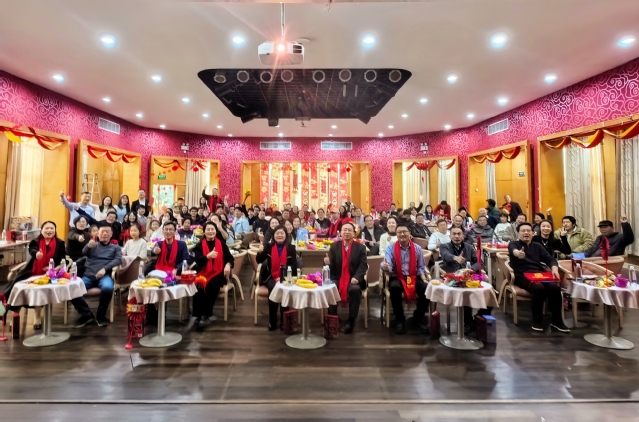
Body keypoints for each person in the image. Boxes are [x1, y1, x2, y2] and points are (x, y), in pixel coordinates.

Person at [508, 222, 568, 333]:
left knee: (554, 288)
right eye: (523, 231)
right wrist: (519, 254)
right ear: (518, 233)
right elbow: (514, 251)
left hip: (538, 274)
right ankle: (537, 320)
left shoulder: (537, 246)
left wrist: (554, 269)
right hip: (521, 274)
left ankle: (557, 321)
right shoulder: (514, 244)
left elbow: (550, 259)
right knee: (538, 288)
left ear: (533, 233)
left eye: (528, 231)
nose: (526, 233)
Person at [4, 222, 67, 313]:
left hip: (52, 274)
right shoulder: (35, 241)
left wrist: (55, 268)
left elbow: (63, 260)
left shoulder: (60, 243)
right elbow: (32, 250)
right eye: (47, 228)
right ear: (41, 231)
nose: (49, 230)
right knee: (16, 285)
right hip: (33, 270)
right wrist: (37, 254)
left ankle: (38, 314)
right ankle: (13, 309)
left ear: (55, 230)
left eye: (52, 228)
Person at [70, 223, 122, 327]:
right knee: (71, 288)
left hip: (105, 276)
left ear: (111, 234)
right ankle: (86, 314)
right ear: (98, 233)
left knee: (108, 288)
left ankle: (101, 315)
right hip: (88, 276)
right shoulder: (93, 245)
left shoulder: (115, 247)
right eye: (103, 232)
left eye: (107, 232)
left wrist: (104, 269)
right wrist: (88, 246)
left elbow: (118, 260)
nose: (105, 234)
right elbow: (84, 253)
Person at [439, 226, 491, 329]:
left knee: (490, 291)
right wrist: (456, 258)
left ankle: (479, 316)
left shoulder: (469, 247)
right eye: (454, 234)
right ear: (450, 236)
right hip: (453, 277)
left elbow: (479, 263)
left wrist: (470, 270)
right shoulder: (444, 246)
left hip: (470, 275)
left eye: (459, 234)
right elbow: (445, 255)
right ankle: (467, 321)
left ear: (463, 236)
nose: (456, 236)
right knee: (465, 292)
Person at [382, 222, 430, 334]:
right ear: (396, 234)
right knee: (394, 288)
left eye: (404, 231)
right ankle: (400, 319)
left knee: (426, 289)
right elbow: (387, 262)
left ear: (410, 233)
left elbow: (421, 267)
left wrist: (424, 278)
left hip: (413, 276)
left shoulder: (417, 248)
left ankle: (418, 318)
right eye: (399, 232)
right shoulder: (391, 248)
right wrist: (385, 266)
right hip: (398, 277)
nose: (402, 234)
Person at [324, 222, 368, 334]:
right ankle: (333, 318)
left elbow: (363, 265)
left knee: (354, 289)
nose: (347, 232)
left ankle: (351, 320)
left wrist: (357, 277)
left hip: (353, 278)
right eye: (344, 230)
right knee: (331, 287)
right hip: (338, 277)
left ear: (354, 233)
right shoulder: (334, 246)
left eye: (349, 230)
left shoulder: (360, 247)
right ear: (340, 233)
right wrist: (327, 263)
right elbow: (331, 266)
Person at [190, 221, 233, 328]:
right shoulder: (199, 245)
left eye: (212, 229)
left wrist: (228, 265)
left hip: (219, 273)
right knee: (199, 286)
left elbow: (230, 258)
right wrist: (208, 256)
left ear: (216, 231)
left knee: (212, 285)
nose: (210, 231)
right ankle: (197, 315)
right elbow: (198, 260)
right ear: (204, 232)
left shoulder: (221, 244)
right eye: (208, 229)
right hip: (203, 272)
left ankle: (206, 314)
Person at [257, 225, 298, 330]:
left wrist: (283, 276)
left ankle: (284, 320)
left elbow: (294, 266)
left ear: (286, 235)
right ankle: (272, 320)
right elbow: (259, 260)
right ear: (273, 235)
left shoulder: (291, 248)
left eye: (282, 233)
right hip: (270, 276)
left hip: (286, 277)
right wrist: (260, 251)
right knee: (273, 288)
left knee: (284, 289)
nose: (279, 235)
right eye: (277, 233)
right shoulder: (269, 247)